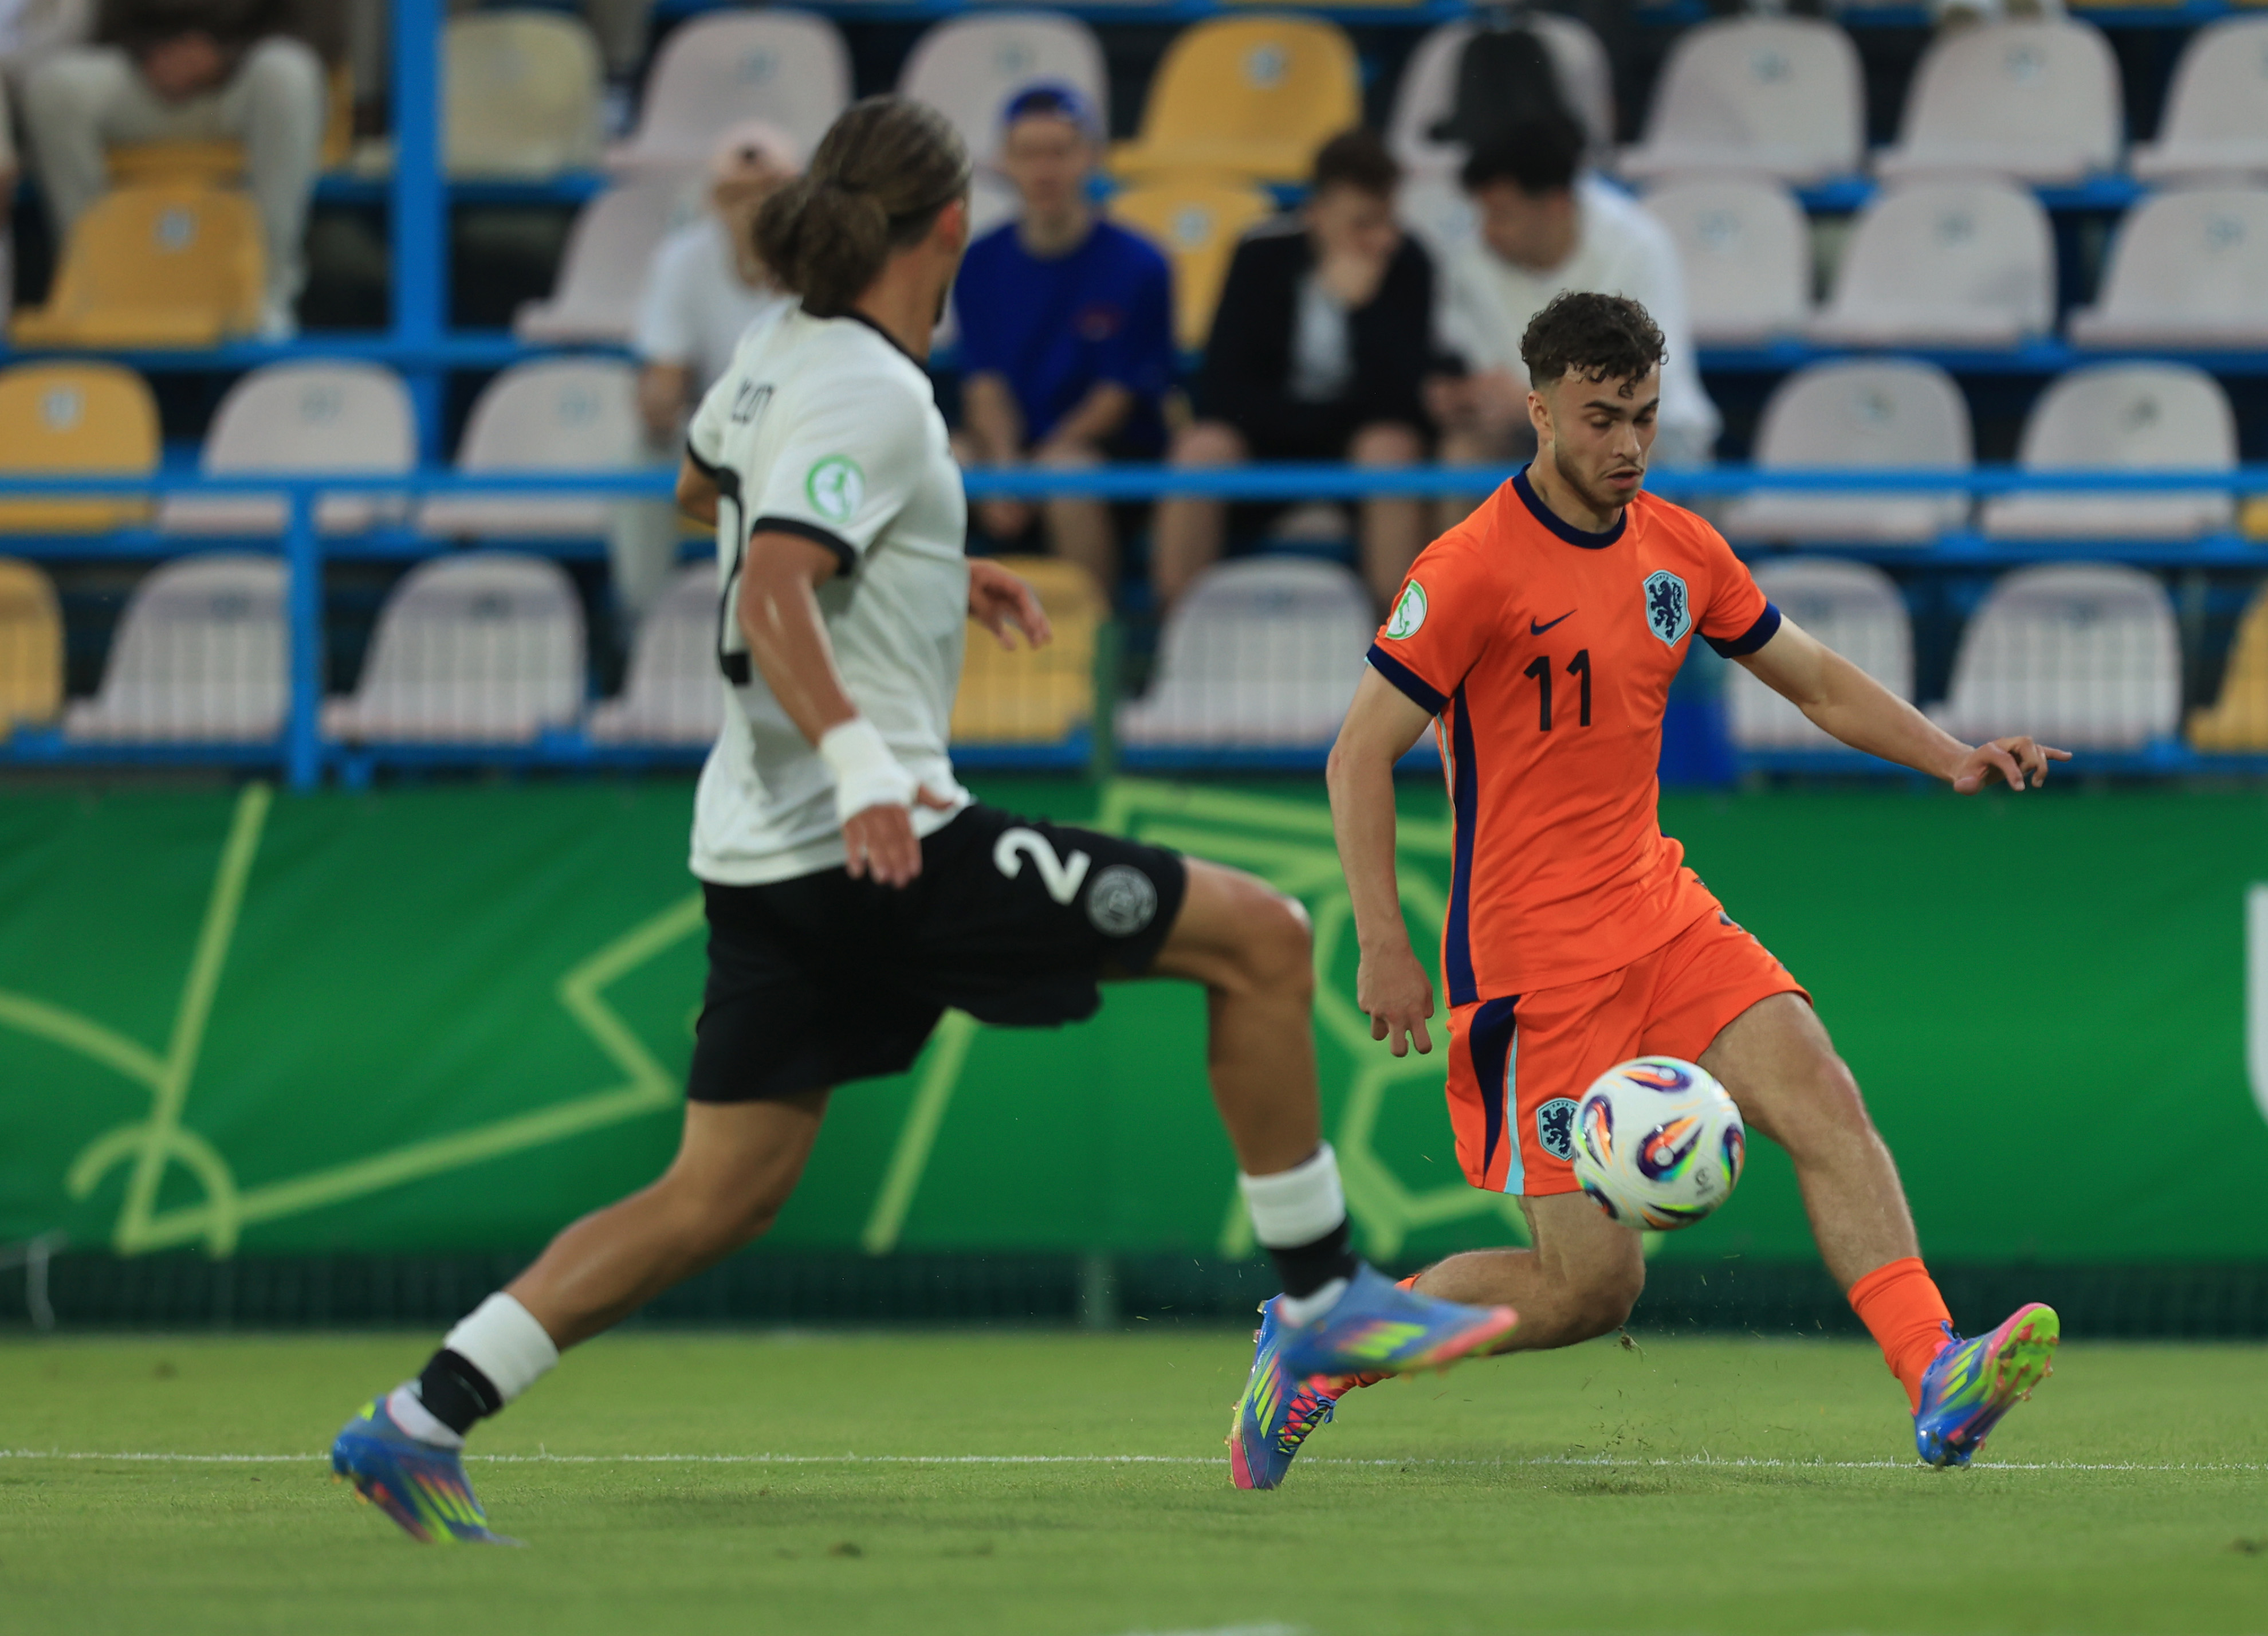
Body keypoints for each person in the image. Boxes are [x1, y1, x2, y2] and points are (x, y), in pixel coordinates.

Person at [329, 96, 1518, 1545]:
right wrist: (861, 763)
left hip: (759, 854)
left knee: (716, 1191)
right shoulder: (874, 392)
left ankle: (419, 1415)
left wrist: (919, 569)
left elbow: (710, 480)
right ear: (952, 225)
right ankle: (1324, 1294)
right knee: (1260, 937)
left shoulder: (775, 350)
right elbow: (770, 586)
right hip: (876, 837)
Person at [1230, 291, 2067, 1491]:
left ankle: (1935, 1365)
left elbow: (1814, 680)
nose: (1624, 444)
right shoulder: (1466, 567)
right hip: (1530, 965)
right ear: (1537, 409)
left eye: (1642, 417)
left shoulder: (1679, 545)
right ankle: (1322, 1339)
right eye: (1598, 417)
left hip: (1660, 913)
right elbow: (1357, 752)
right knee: (1588, 1288)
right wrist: (1383, 942)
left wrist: (1951, 751)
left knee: (1821, 1094)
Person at [1150, 128, 1436, 613]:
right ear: (1317, 217)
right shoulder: (1259, 256)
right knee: (1201, 448)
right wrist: (1305, 420)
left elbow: (1406, 401)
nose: (1379, 239)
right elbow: (1223, 389)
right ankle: (1173, 638)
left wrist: (1364, 312)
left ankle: (1398, 653)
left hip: (1358, 442)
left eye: (1386, 221)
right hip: (1265, 438)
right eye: (1362, 224)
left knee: (1390, 448)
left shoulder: (1409, 262)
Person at [949, 82, 1173, 592]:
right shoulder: (981, 263)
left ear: (1091, 157)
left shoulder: (1139, 264)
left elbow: (1115, 398)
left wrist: (1036, 470)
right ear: (1004, 162)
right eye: (1028, 154)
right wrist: (1007, 468)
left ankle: (1096, 645)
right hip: (1017, 448)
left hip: (1109, 458)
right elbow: (984, 384)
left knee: (1067, 471)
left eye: (1059, 152)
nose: (1044, 170)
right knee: (942, 459)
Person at [1423, 119, 1719, 487]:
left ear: (1555, 205)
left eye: (1502, 215)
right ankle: (1461, 548)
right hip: (1527, 435)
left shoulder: (1637, 248)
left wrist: (1531, 403)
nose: (1487, 231)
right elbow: (1468, 365)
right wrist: (1462, 396)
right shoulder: (1471, 258)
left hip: (1648, 436)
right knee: (1463, 453)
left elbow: (1645, 390)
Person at [22, 0, 341, 337]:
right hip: (149, 80)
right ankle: (93, 285)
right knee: (53, 88)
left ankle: (265, 296)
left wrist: (222, 58)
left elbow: (321, 34)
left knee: (288, 72)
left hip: (243, 81)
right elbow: (108, 25)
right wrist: (156, 56)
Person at [633, 120, 795, 446]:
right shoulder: (680, 261)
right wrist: (660, 398)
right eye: (736, 195)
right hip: (714, 436)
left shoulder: (827, 259)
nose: (753, 207)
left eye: (768, 191)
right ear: (713, 202)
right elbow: (664, 388)